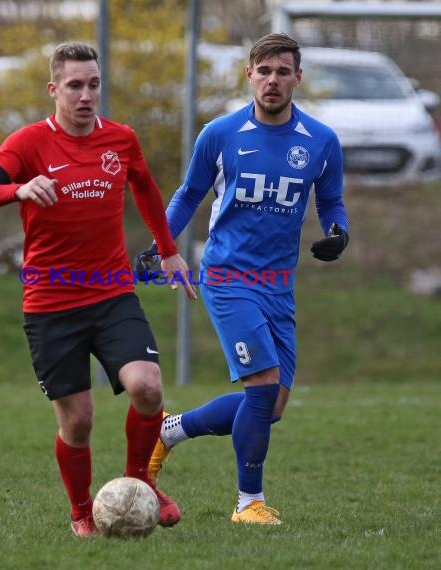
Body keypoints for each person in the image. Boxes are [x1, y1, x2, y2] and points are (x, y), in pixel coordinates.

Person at [0, 42, 197, 537]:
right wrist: (17, 189)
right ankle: (81, 511)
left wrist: (168, 249)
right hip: (51, 305)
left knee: (148, 387)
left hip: (112, 295)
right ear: (54, 90)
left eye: (93, 84)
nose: (86, 95)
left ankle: (140, 485)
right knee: (79, 423)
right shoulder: (27, 144)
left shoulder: (121, 139)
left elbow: (146, 188)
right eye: (75, 85)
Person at [139, 33, 349, 525]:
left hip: (279, 284)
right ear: (248, 75)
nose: (272, 80)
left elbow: (332, 202)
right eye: (264, 71)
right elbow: (189, 195)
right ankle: (248, 503)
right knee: (262, 384)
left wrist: (339, 233)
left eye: (282, 71)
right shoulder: (220, 133)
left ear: (298, 78)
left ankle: (169, 432)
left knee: (270, 404)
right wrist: (162, 244)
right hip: (228, 277)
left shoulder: (321, 141)